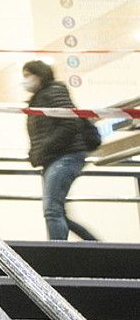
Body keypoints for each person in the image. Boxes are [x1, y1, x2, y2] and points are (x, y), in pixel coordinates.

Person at [23, 60, 100, 242]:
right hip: (54, 158)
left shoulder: (53, 91)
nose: (25, 81)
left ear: (39, 75)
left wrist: (43, 149)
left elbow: (69, 122)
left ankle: (58, 252)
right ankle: (94, 244)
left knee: (52, 210)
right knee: (58, 211)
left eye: (28, 76)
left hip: (65, 156)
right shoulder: (41, 96)